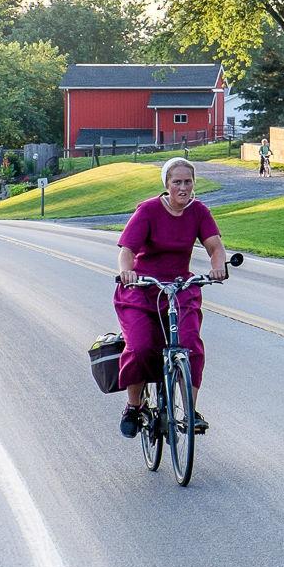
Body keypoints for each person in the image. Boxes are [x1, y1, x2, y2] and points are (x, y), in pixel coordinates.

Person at [115, 156, 228, 437]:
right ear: (166, 185)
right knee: (140, 347)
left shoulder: (199, 211)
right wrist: (127, 273)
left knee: (190, 346)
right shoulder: (149, 210)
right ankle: (133, 405)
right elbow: (127, 250)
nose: (183, 187)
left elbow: (215, 247)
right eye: (177, 182)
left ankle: (189, 411)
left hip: (179, 288)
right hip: (142, 289)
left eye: (188, 182)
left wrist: (218, 268)